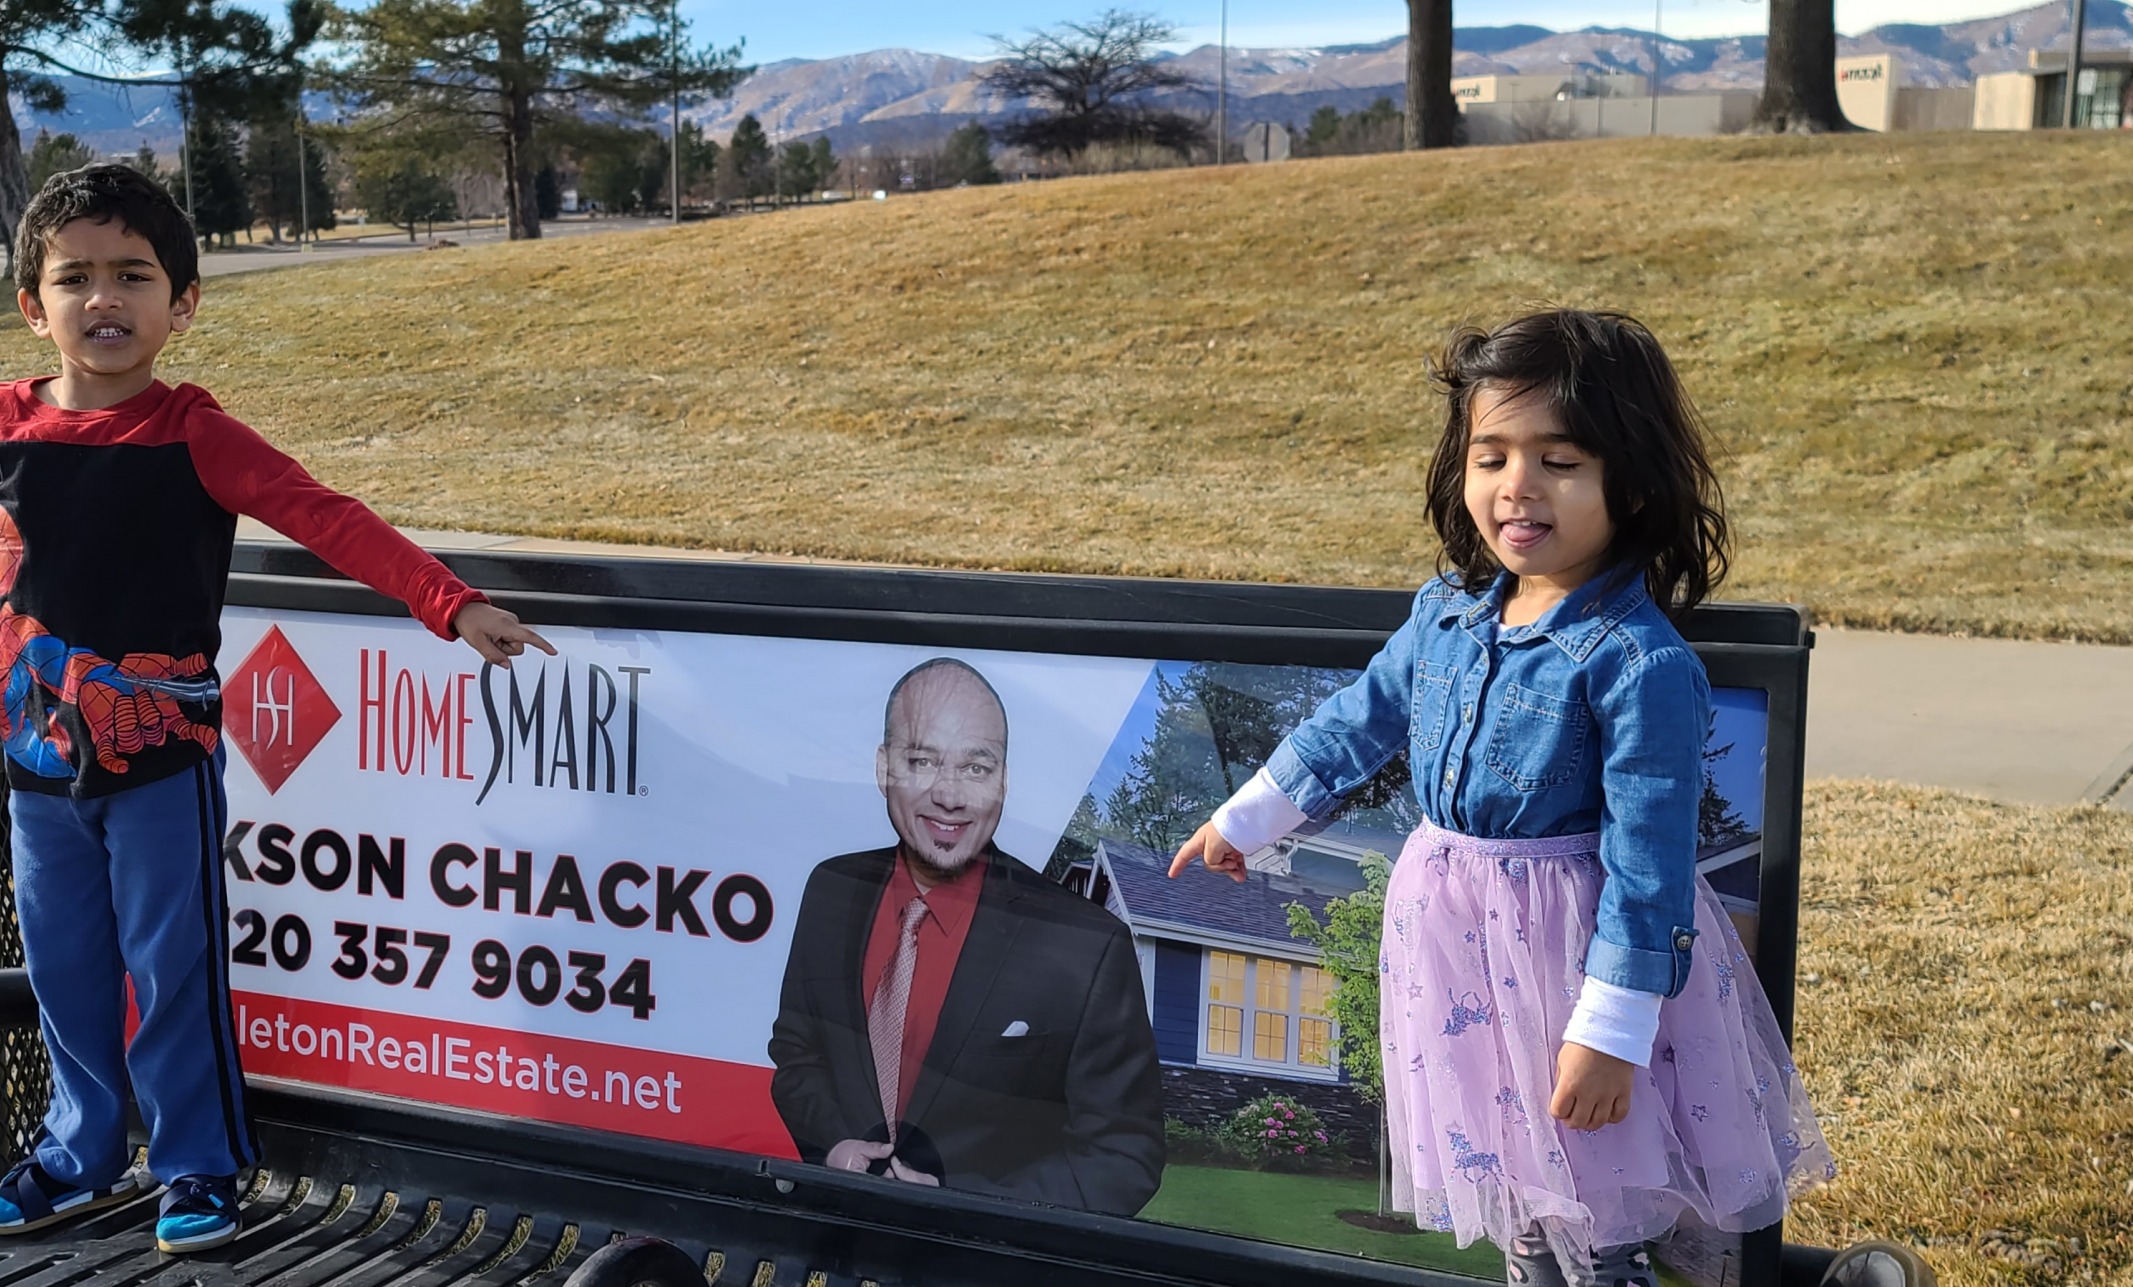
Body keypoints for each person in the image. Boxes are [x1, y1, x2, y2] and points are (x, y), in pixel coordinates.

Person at [0, 163, 549, 1255]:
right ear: (28, 304)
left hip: (162, 767)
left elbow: (326, 517)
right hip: (39, 771)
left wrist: (448, 602)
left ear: (182, 305)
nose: (104, 300)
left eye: (133, 276)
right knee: (63, 967)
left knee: (170, 967)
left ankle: (196, 1163)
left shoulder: (194, 434)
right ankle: (80, 1148)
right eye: (74, 277)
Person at [1167, 311, 1832, 1287]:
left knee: (1596, 1218)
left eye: (1558, 459)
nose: (1518, 486)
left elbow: (1649, 867)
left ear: (1630, 483)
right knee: (1525, 1191)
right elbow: (1358, 722)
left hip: (1569, 960)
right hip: (1457, 947)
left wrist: (1611, 1032)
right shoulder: (1443, 615)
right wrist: (1252, 816)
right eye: (1492, 456)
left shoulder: (1637, 664)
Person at [768, 658, 1164, 1216]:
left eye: (976, 768)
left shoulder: (1087, 946)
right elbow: (798, 1053)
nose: (949, 795)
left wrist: (964, 1204)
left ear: (1004, 778)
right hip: (839, 1247)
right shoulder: (832, 889)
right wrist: (833, 1146)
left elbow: (1124, 1157)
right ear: (883, 768)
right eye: (922, 760)